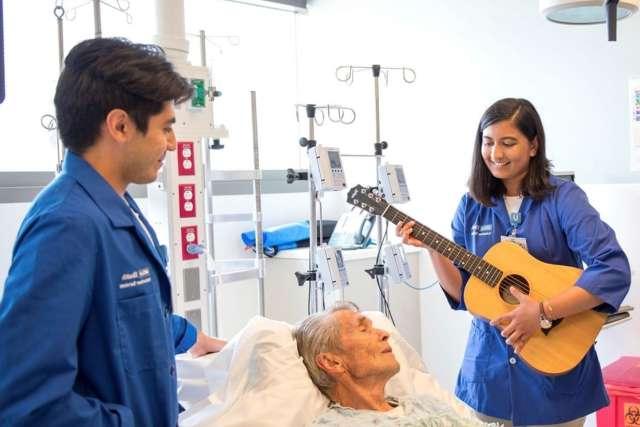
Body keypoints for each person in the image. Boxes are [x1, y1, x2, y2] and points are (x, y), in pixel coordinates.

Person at [0, 37, 225, 426]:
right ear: (120, 125)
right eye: (165, 128)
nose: (172, 144)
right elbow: (26, 401)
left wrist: (196, 339)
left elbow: (124, 318)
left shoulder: (118, 209)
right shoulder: (67, 226)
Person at [397, 98, 631, 426]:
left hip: (554, 371)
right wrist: (433, 250)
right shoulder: (471, 205)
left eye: (508, 143)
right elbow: (467, 294)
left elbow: (612, 268)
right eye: (488, 142)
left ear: (533, 145)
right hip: (488, 375)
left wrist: (544, 310)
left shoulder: (564, 199)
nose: (496, 154)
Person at [294, 302, 498, 426]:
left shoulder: (424, 404)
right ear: (332, 362)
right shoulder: (338, 424)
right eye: (363, 330)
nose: (384, 334)